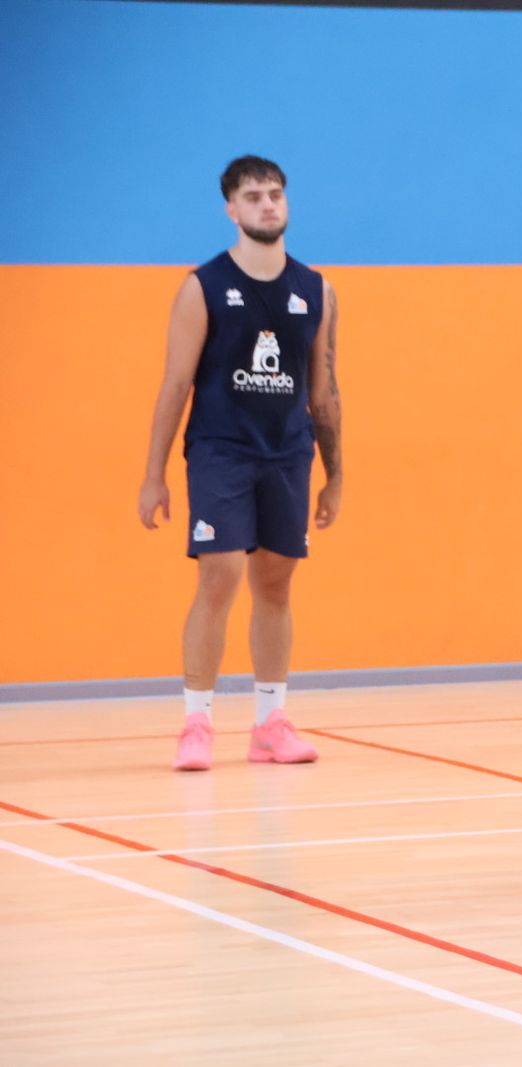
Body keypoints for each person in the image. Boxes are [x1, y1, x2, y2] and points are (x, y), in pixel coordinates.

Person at [137, 155, 342, 772]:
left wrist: (336, 476)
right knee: (220, 575)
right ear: (231, 208)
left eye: (275, 194)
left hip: (288, 453)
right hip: (221, 450)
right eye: (253, 196)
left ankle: (270, 725)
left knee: (275, 585)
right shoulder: (202, 287)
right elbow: (175, 384)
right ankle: (196, 723)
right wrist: (153, 475)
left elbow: (325, 390)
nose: (267, 204)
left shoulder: (317, 290)